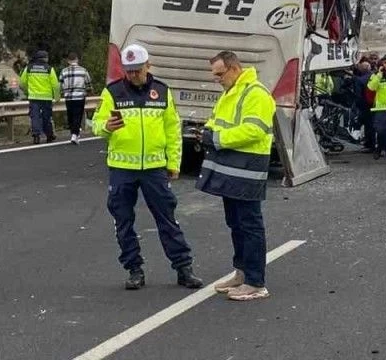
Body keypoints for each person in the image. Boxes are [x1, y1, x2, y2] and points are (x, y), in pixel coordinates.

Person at [91, 44, 203, 291]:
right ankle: (134, 269)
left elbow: (172, 130)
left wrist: (173, 163)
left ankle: (184, 268)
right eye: (129, 71)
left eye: (137, 70)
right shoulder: (113, 92)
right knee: (123, 221)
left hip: (154, 168)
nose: (132, 75)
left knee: (167, 219)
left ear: (148, 66)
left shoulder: (161, 91)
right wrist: (106, 127)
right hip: (122, 168)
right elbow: (96, 124)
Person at [198, 50, 274, 301]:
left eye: (220, 74)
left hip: (248, 168)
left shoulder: (256, 93)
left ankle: (255, 282)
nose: (217, 79)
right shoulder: (230, 93)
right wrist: (207, 132)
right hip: (231, 168)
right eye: (214, 75)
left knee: (250, 225)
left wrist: (217, 138)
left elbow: (255, 130)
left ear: (234, 68)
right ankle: (241, 273)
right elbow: (215, 120)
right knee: (236, 223)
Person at [18, 50, 60, 144]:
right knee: (46, 117)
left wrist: (27, 92)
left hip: (33, 97)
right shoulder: (49, 69)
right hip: (46, 97)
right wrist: (57, 97)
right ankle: (49, 135)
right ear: (45, 58)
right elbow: (55, 85)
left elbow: (22, 83)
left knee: (35, 117)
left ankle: (36, 136)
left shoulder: (29, 68)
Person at [60, 52, 93, 145]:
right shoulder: (83, 70)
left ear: (68, 61)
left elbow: (60, 84)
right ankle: (75, 134)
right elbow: (88, 83)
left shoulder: (63, 71)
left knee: (70, 115)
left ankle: (73, 133)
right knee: (77, 115)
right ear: (77, 60)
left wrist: (62, 93)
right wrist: (90, 92)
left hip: (68, 97)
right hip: (79, 97)